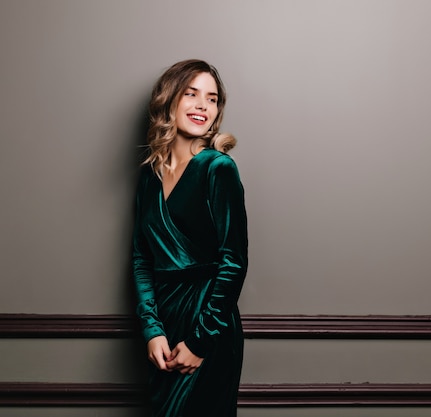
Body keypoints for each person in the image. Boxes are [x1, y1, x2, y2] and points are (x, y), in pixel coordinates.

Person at [132, 59, 248, 417]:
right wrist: (152, 330)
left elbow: (234, 261)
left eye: (212, 99)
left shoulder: (218, 169)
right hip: (164, 331)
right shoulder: (149, 178)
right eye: (191, 94)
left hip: (209, 327)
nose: (202, 105)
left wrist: (200, 341)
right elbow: (142, 260)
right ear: (169, 100)